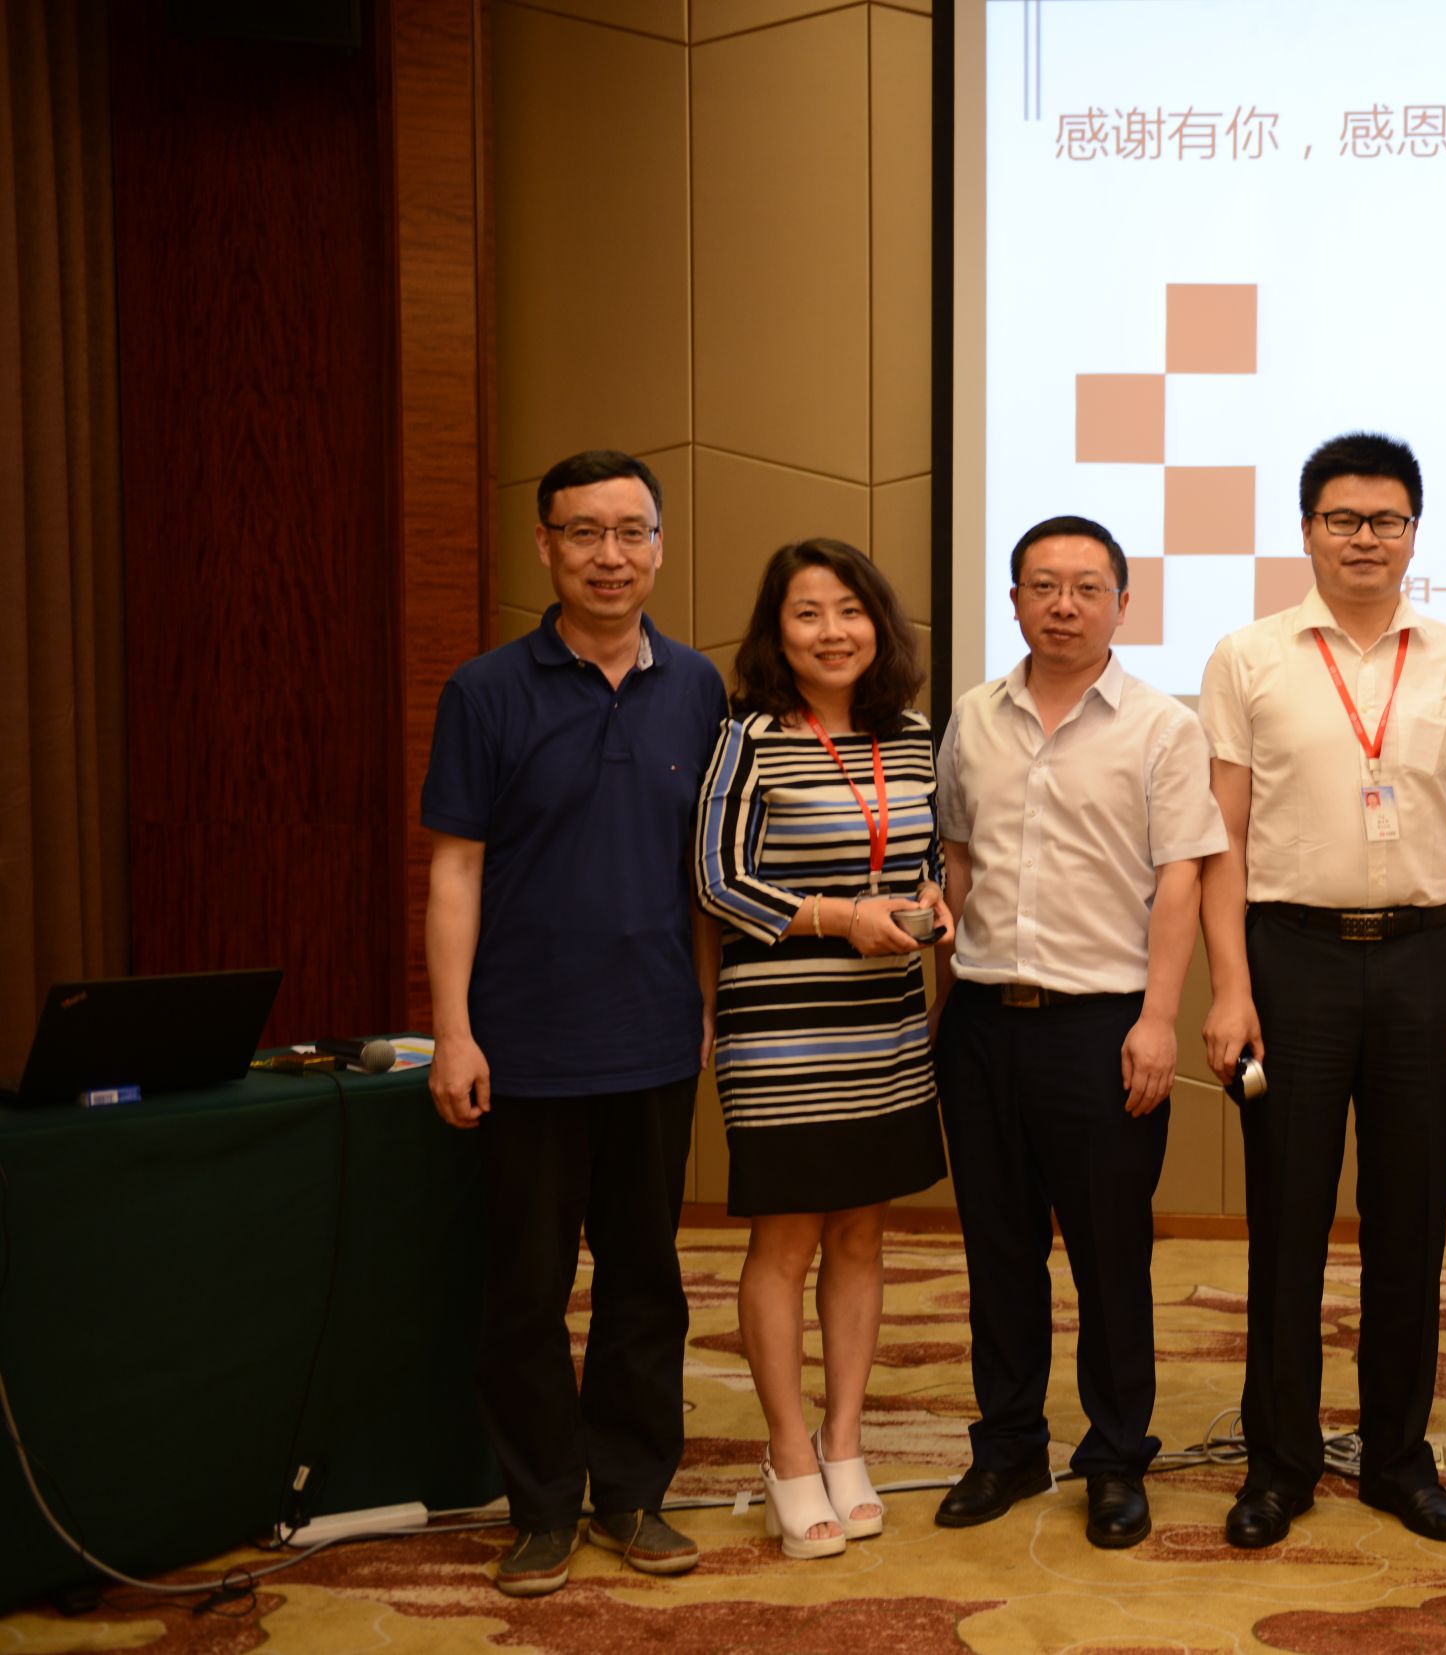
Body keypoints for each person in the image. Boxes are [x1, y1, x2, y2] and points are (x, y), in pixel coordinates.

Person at [1199, 432, 1446, 1549]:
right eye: (1342, 518)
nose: (1364, 538)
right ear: (1307, 531)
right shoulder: (1248, 656)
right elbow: (1223, 838)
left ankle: (1396, 1457)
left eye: (1386, 520)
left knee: (1410, 1224)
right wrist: (1229, 987)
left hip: (1426, 962)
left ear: (1413, 533)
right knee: (1285, 1223)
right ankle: (1278, 1462)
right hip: (1289, 961)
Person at [421, 449, 727, 1596]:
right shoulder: (485, 690)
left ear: (660, 546)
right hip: (526, 1043)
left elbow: (703, 873)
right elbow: (455, 869)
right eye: (584, 532)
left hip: (653, 1035)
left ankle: (633, 1492)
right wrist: (454, 1030)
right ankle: (542, 1506)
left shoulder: (696, 686)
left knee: (647, 1279)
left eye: (630, 532)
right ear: (545, 545)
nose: (610, 555)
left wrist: (703, 1006)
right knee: (526, 1289)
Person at [931, 515, 1225, 1549]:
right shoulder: (972, 717)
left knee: (1110, 1256)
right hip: (980, 1020)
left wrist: (1158, 1019)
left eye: (1087, 587)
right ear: (1012, 598)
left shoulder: (1161, 726)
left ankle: (1113, 1456)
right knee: (997, 1249)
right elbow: (957, 860)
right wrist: (941, 1001)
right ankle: (1008, 1444)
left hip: (1102, 1027)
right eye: (1043, 585)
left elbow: (1180, 881)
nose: (1064, 604)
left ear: (1122, 604)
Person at [694, 540, 951, 1559]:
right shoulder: (748, 737)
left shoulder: (913, 735)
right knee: (785, 1242)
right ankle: (788, 1453)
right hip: (781, 1030)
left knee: (860, 1237)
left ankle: (845, 1441)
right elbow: (717, 880)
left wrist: (929, 903)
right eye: (808, 613)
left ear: (878, 624)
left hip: (884, 1023)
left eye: (850, 610)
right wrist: (840, 916)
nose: (833, 631)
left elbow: (926, 858)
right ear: (777, 631)